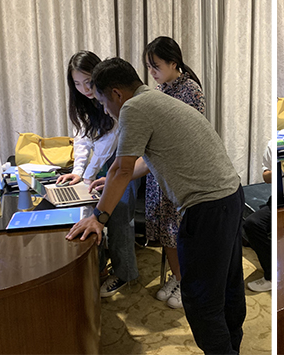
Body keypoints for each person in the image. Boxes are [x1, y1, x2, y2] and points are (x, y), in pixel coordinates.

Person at [65, 57, 245, 355]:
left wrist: (98, 217)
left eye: (103, 102)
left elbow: (121, 169)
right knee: (228, 286)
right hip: (230, 195)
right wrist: (110, 181)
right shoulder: (155, 100)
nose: (105, 110)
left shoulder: (134, 108)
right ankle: (232, 348)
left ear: (116, 94)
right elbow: (144, 162)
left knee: (201, 298)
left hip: (207, 208)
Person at [57, 51, 139, 298]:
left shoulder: (111, 95)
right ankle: (99, 266)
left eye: (88, 81)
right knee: (89, 211)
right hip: (101, 164)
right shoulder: (82, 103)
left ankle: (125, 274)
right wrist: (78, 172)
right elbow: (82, 140)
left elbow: (108, 143)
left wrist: (87, 176)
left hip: (126, 159)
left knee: (118, 213)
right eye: (77, 84)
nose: (85, 89)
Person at [143, 37, 205, 310]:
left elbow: (193, 137)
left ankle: (188, 283)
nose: (152, 72)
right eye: (149, 67)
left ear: (173, 63)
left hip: (181, 174)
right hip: (158, 173)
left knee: (180, 233)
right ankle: (178, 277)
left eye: (155, 66)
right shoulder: (159, 91)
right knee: (166, 231)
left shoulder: (191, 91)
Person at [243, 140, 272, 292]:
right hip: (277, 197)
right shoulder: (273, 144)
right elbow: (266, 176)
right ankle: (271, 276)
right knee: (252, 223)